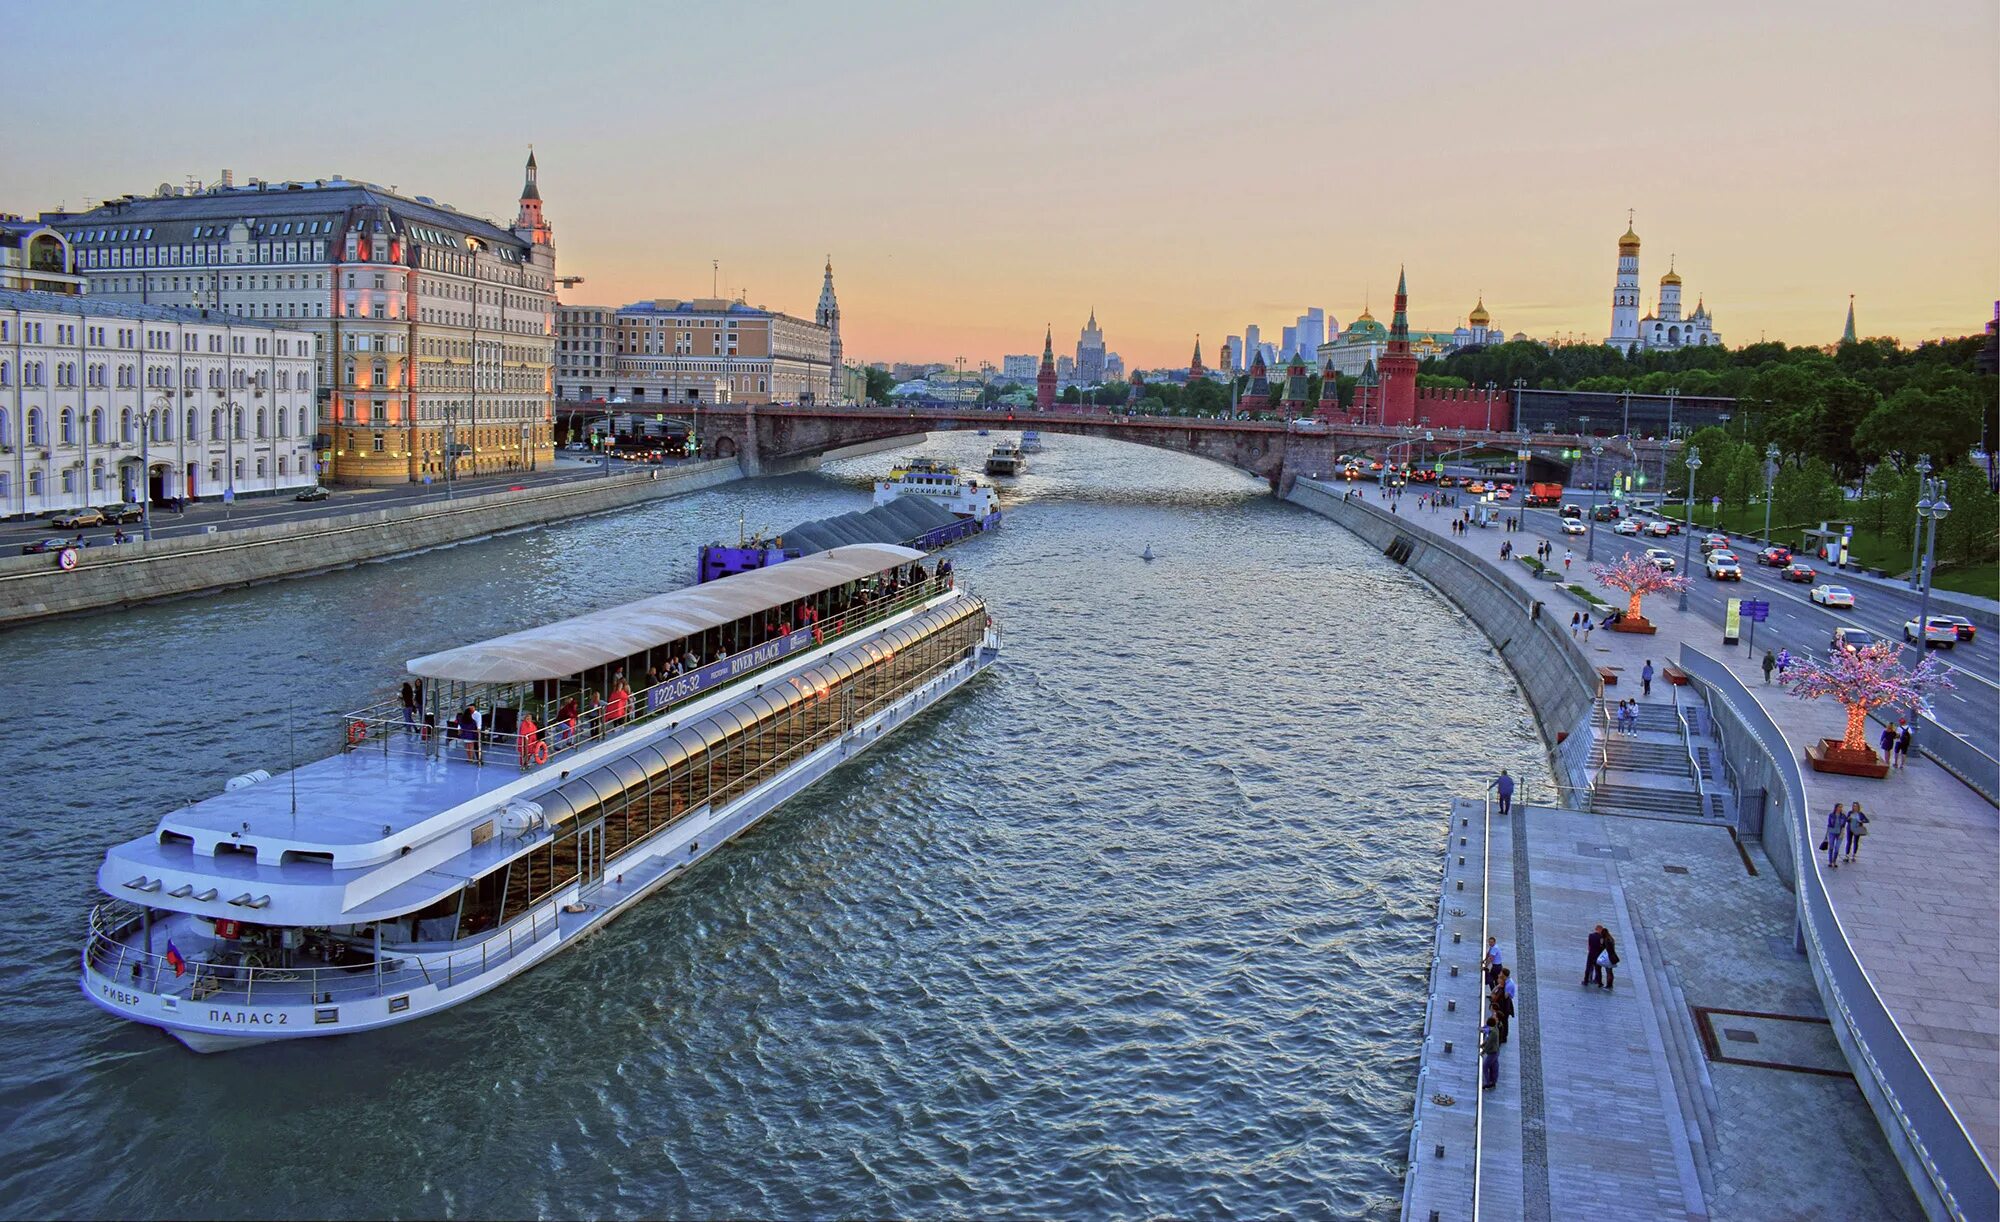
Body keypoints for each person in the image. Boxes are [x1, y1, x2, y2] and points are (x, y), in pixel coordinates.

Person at [1822, 803, 1848, 870]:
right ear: (1836, 808)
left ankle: (1834, 861)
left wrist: (1842, 833)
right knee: (1831, 847)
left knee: (1837, 848)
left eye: (1841, 807)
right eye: (1839, 807)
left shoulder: (1843, 816)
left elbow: (1843, 826)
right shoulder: (1831, 815)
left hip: (1839, 833)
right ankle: (1830, 862)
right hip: (1832, 832)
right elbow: (1829, 825)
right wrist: (1826, 835)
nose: (1840, 808)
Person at [1490, 977, 1514, 1045]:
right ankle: (1502, 1037)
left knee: (1503, 1023)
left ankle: (1502, 1038)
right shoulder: (1501, 989)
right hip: (1503, 1009)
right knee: (1503, 1023)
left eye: (1499, 979)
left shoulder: (1502, 991)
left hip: (1503, 1010)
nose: (1497, 979)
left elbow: (1493, 995)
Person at [1480, 1018, 1501, 1090]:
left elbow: (1489, 1042)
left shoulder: (1493, 1033)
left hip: (1493, 1052)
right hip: (1496, 1051)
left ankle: (1488, 1082)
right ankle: (1493, 1081)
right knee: (1494, 1066)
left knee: (1485, 1066)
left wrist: (1483, 1051)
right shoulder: (1494, 1029)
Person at [1598, 926, 1619, 991]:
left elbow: (1605, 948)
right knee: (1610, 972)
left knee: (1608, 972)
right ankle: (1610, 984)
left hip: (1609, 958)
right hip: (1612, 956)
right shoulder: (1611, 938)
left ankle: (1608, 985)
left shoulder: (1607, 940)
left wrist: (1601, 943)